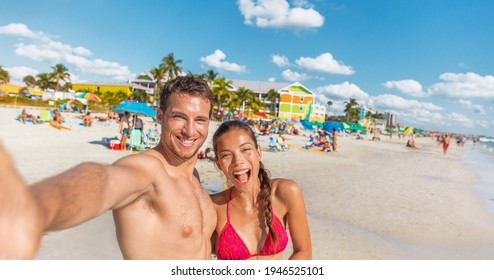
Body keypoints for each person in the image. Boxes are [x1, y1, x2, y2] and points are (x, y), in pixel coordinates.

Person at [0, 76, 217, 260]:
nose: (190, 130)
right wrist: (36, 209)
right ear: (160, 117)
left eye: (200, 120)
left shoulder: (194, 177)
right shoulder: (148, 169)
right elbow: (105, 182)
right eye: (179, 116)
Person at [210, 120, 312, 260]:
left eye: (245, 150)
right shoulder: (213, 206)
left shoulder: (285, 192)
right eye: (226, 155)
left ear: (258, 152)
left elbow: (303, 251)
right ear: (219, 164)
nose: (238, 161)